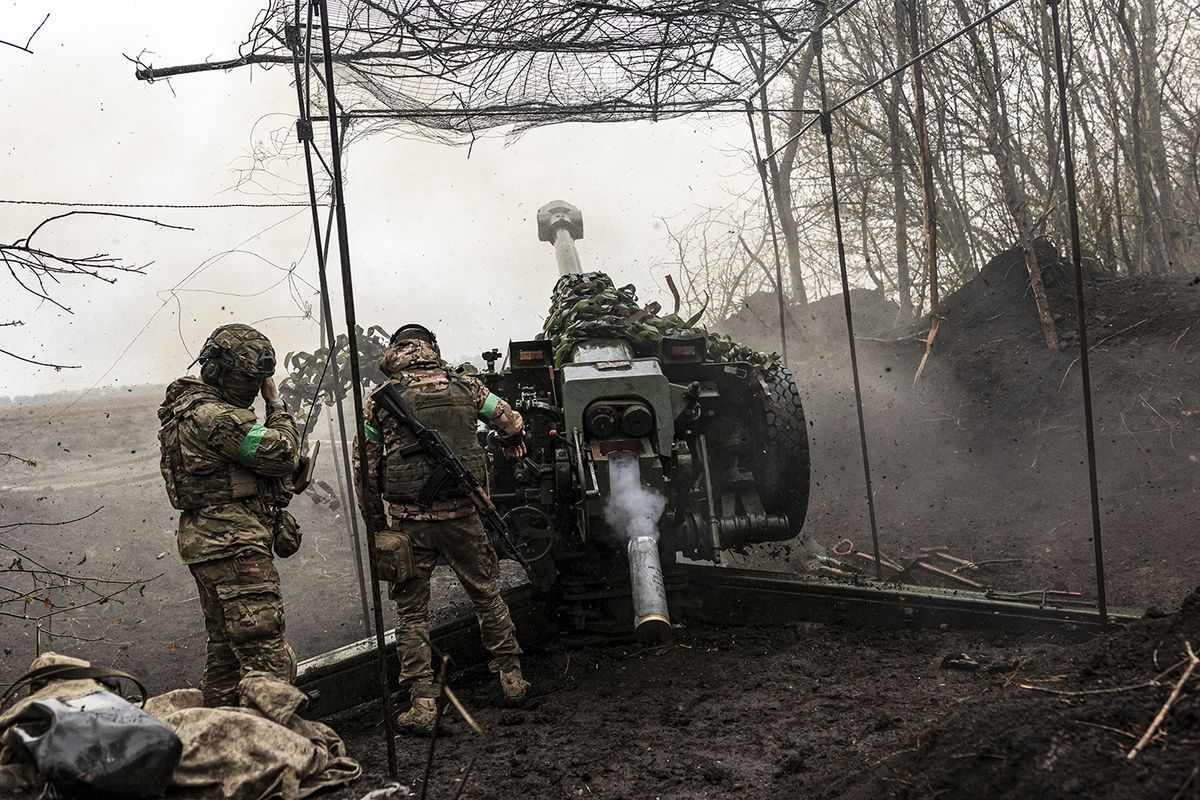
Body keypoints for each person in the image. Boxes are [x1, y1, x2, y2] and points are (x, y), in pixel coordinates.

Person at [353, 323, 530, 735]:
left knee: (412, 612)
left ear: (395, 355)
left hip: (409, 524)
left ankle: (423, 701)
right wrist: (510, 442)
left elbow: (365, 470)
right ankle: (511, 678)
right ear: (432, 350)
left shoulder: (377, 402)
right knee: (487, 595)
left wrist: (377, 525)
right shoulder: (468, 388)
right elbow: (510, 422)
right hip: (464, 518)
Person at [157, 323, 302, 706]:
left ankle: (217, 736)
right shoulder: (216, 416)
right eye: (248, 379)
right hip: (233, 545)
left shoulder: (191, 410)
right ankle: (273, 748)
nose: (254, 388)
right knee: (266, 656)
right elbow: (282, 453)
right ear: (219, 370)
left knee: (225, 653)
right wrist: (276, 405)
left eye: (260, 381)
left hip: (211, 543)